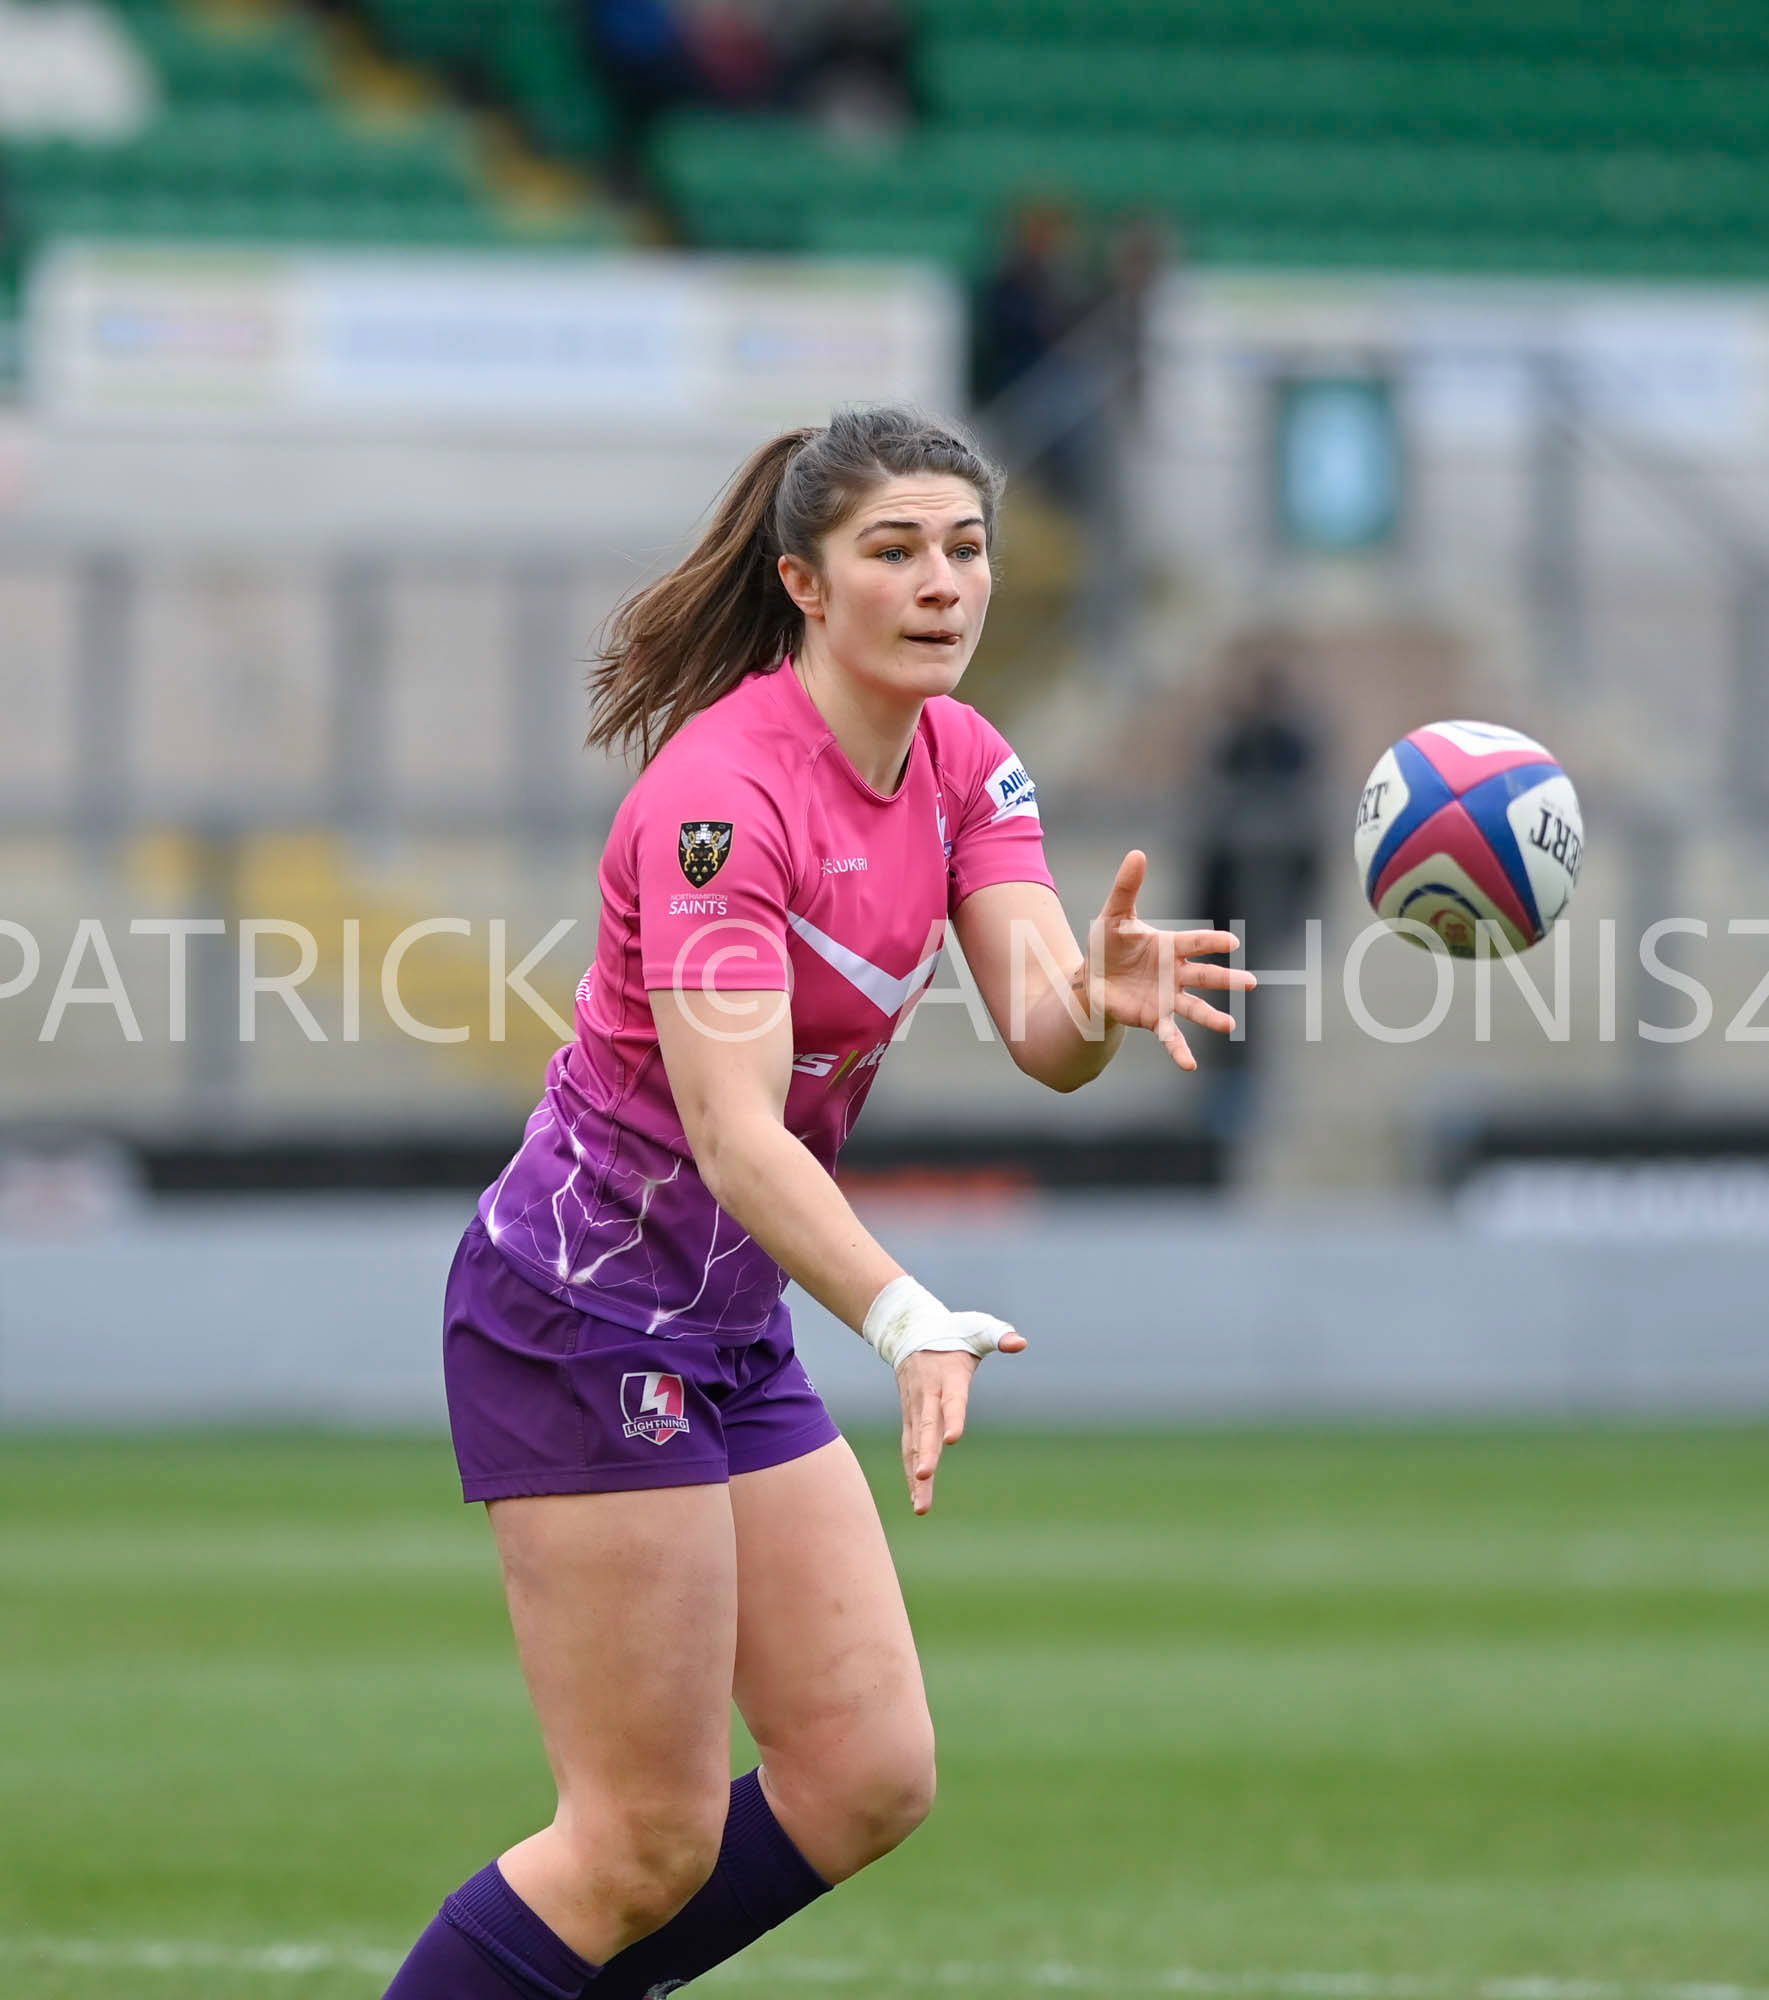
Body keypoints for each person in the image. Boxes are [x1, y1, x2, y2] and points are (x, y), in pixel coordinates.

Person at [383, 406, 1253, 2000]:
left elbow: (1041, 1040)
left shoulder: (965, 761)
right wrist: (903, 1315)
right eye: (895, 551)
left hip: (721, 1320)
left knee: (864, 1774)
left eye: (967, 549)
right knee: (638, 1844)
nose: (943, 585)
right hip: (581, 1317)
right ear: (802, 581)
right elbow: (733, 1136)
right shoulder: (723, 803)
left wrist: (1101, 1001)